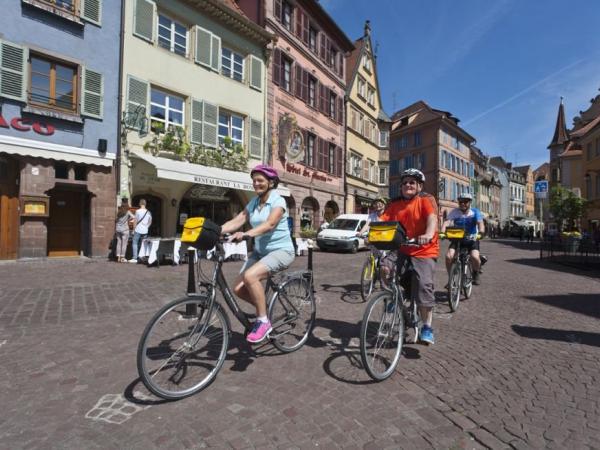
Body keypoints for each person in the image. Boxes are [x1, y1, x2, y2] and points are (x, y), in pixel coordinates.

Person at [220, 165, 295, 344]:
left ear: (271, 183)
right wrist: (214, 230)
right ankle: (265, 308)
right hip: (261, 252)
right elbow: (238, 220)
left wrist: (246, 234)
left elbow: (269, 224)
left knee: (250, 276)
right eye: (254, 180)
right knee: (238, 288)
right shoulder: (254, 202)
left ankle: (263, 321)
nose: (256, 183)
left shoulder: (278, 201)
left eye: (260, 180)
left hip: (282, 251)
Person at [378, 168, 439, 345]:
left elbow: (432, 219)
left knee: (423, 285)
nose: (407, 185)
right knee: (384, 268)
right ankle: (392, 297)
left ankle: (427, 327)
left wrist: (428, 234)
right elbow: (382, 220)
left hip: (424, 249)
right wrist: (366, 232)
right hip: (403, 247)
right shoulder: (395, 203)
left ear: (419, 186)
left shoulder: (425, 200)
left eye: (412, 182)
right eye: (404, 183)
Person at [441, 192, 485, 285]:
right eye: (461, 202)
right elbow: (447, 222)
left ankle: (476, 273)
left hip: (472, 238)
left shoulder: (475, 212)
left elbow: (480, 223)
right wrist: (442, 232)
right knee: (449, 256)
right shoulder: (455, 211)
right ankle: (451, 279)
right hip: (458, 239)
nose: (463, 204)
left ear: (470, 203)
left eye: (465, 202)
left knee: (474, 257)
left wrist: (480, 233)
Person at [130, 198, 152, 263]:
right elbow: (150, 221)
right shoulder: (148, 212)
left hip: (138, 229)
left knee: (135, 243)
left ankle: (135, 258)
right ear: (145, 204)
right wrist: (147, 227)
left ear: (140, 203)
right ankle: (142, 257)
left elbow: (135, 221)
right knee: (143, 244)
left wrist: (133, 230)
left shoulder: (138, 211)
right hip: (145, 230)